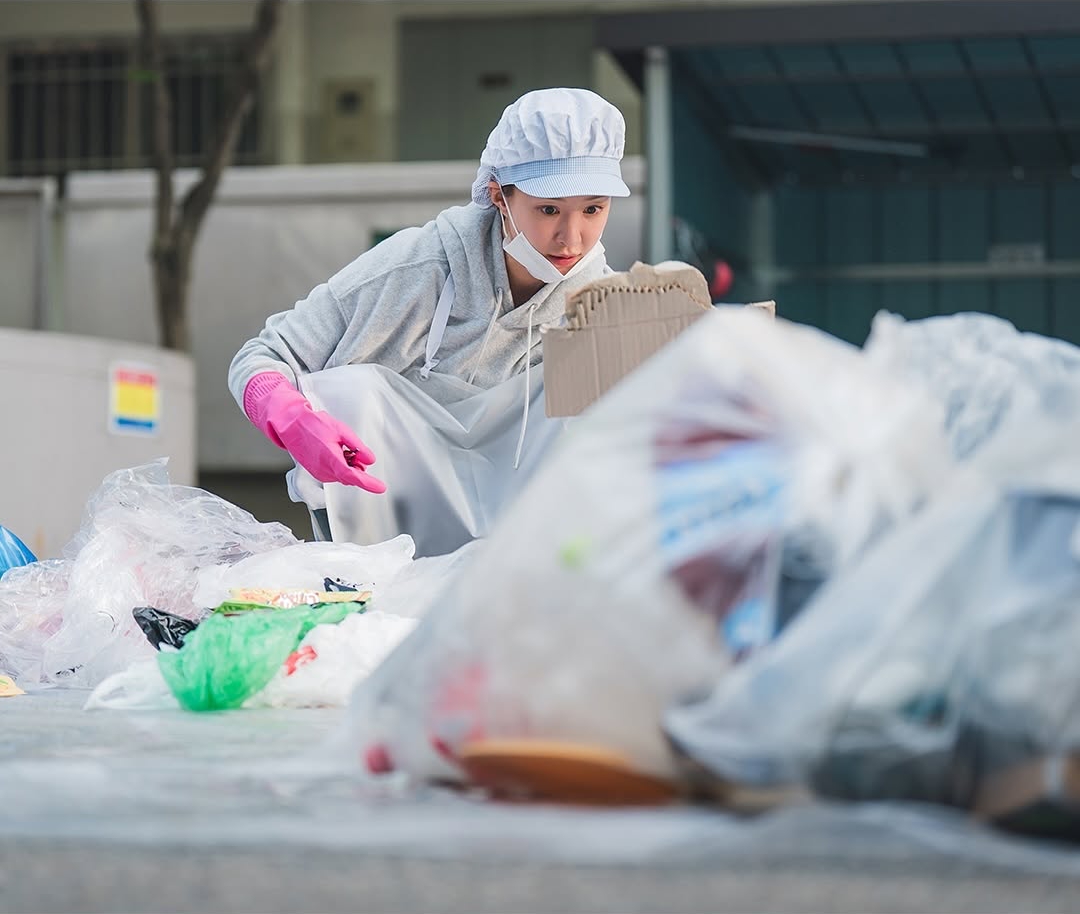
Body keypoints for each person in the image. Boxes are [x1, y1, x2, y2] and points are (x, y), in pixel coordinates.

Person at [228, 87, 631, 551]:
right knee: (352, 387)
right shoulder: (415, 272)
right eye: (548, 210)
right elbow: (262, 356)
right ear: (499, 196)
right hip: (380, 547)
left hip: (513, 558)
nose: (572, 238)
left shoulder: (603, 309)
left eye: (593, 209)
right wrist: (292, 417)